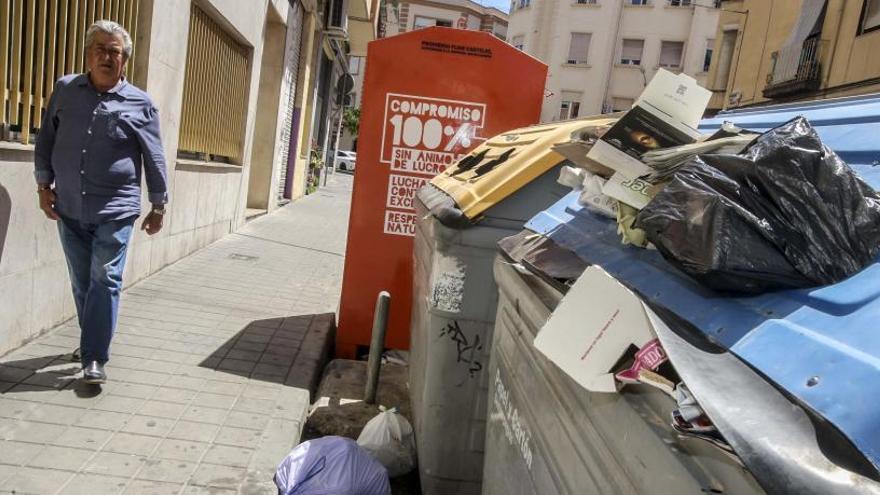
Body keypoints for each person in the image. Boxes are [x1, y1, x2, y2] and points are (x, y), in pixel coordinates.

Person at [34, 20, 168, 385]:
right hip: (70, 207)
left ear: (125, 59)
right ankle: (89, 339)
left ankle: (95, 357)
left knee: (105, 277)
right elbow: (46, 138)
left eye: (115, 51)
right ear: (88, 54)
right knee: (82, 282)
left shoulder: (141, 103)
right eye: (101, 49)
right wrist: (43, 185)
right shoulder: (65, 90)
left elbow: (154, 157)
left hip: (116, 208)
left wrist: (158, 204)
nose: (107, 57)